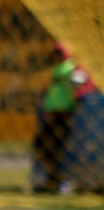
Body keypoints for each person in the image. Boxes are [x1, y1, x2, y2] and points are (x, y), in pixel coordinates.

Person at [32, 42, 94, 194]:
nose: (55, 54)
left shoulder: (71, 67)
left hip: (63, 113)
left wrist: (77, 93)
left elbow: (85, 82)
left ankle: (58, 180)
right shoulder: (58, 67)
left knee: (53, 147)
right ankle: (54, 178)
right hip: (53, 112)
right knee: (44, 146)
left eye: (58, 52)